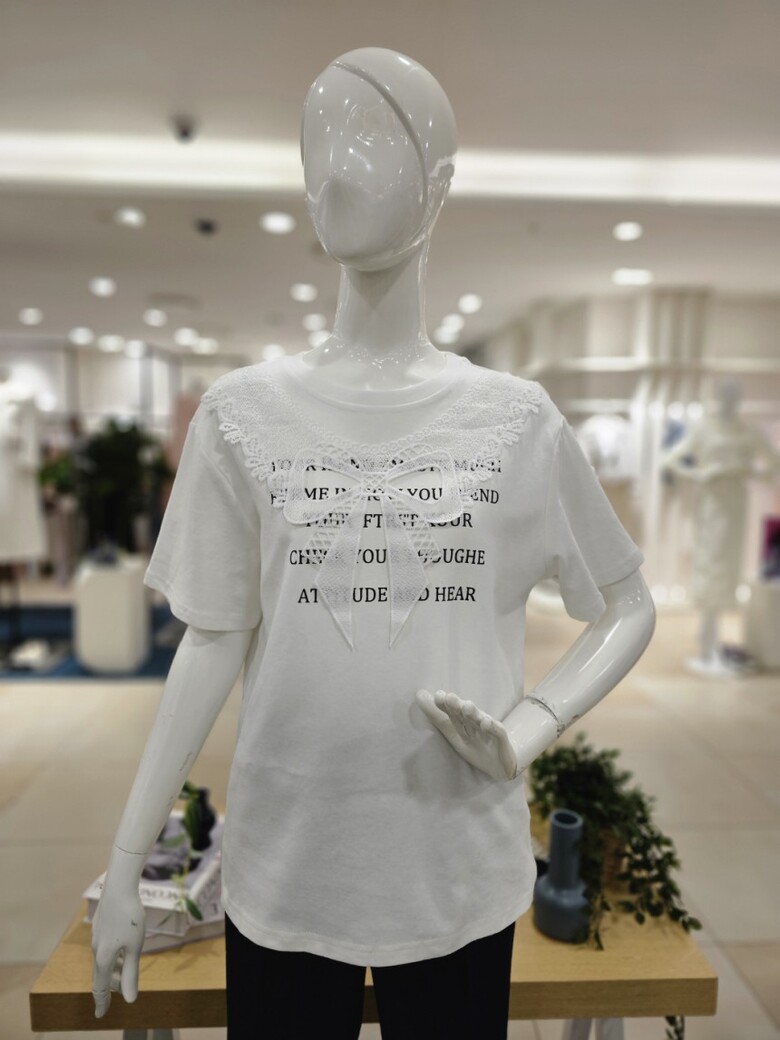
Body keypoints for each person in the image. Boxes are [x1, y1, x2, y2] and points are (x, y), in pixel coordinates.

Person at [91, 48, 655, 1039]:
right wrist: (129, 856)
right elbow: (212, 637)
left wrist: (528, 726)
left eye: (374, 135)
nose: (336, 167)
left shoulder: (517, 420)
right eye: (318, 141)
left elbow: (628, 604)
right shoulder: (240, 412)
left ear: (439, 183)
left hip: (454, 861)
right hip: (287, 864)